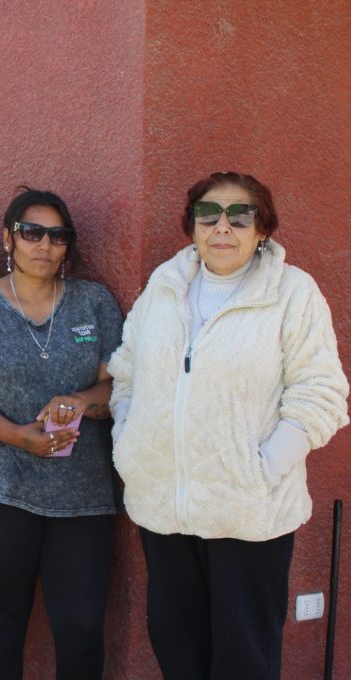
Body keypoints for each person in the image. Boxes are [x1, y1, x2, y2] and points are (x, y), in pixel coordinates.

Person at [107, 171, 349, 680]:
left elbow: (320, 392)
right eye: (208, 214)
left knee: (244, 661)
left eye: (240, 216)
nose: (222, 227)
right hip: (164, 507)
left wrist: (263, 470)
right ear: (192, 225)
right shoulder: (165, 286)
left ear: (262, 229)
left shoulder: (292, 293)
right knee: (177, 652)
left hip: (247, 512)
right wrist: (130, 443)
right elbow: (126, 370)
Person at [0, 187, 123, 680]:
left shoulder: (94, 303)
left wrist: (81, 401)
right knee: (2, 617)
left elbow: (118, 386)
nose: (45, 244)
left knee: (81, 625)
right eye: (32, 232)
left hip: (81, 493)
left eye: (57, 235)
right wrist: (18, 436)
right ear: (8, 238)